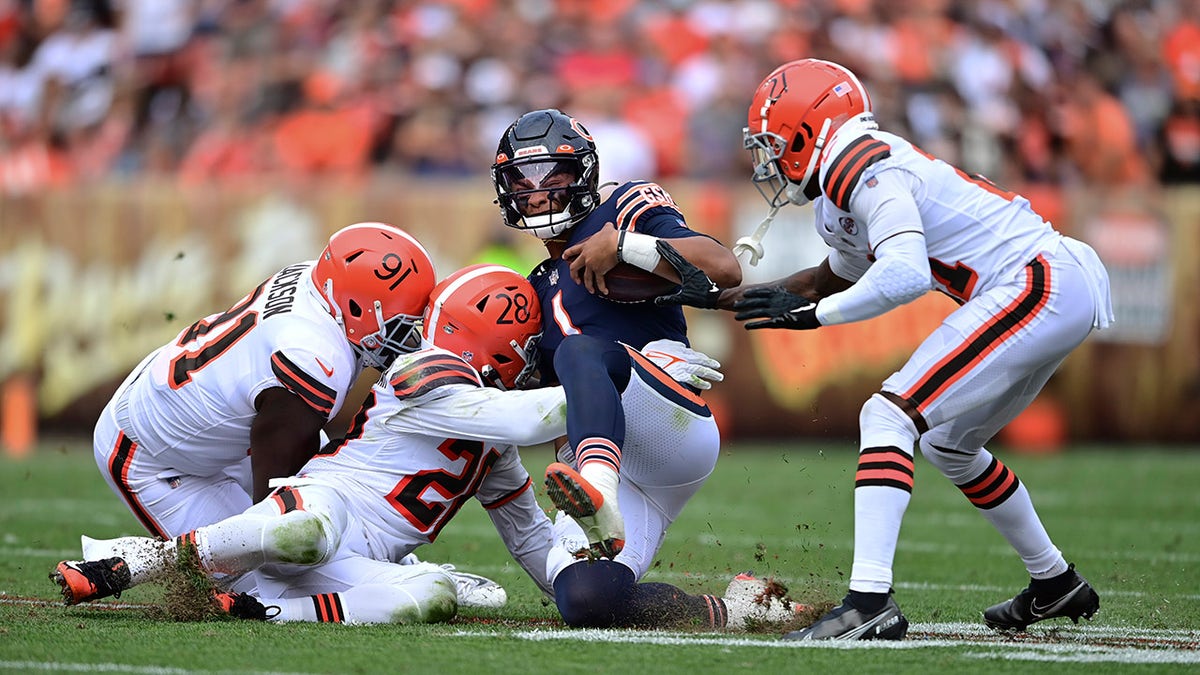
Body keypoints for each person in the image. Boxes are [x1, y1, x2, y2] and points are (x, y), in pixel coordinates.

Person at [656, 58, 1113, 640]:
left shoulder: (859, 162)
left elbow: (903, 274)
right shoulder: (837, 189)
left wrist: (813, 318)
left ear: (808, 130)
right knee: (950, 444)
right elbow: (829, 281)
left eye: (772, 144)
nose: (764, 160)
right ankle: (1053, 580)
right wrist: (726, 297)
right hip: (1045, 285)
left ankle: (869, 602)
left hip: (1037, 280)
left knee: (888, 414)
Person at [51, 265, 734, 624]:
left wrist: (582, 579)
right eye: (528, 352)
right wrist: (628, 369)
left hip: (358, 560)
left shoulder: (487, 440)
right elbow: (529, 415)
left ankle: (260, 609)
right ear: (503, 349)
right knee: (310, 529)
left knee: (432, 594)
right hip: (319, 505)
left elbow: (528, 538)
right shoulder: (422, 378)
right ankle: (145, 561)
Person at [80, 221, 503, 608]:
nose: (407, 341)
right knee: (277, 571)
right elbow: (280, 507)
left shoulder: (320, 285)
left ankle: (400, 571)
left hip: (216, 417)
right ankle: (127, 559)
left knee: (327, 509)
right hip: (153, 457)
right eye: (398, 325)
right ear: (355, 311)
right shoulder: (314, 356)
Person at [489, 109, 801, 629]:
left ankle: (598, 490)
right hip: (616, 457)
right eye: (522, 181)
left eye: (553, 175)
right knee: (587, 602)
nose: (538, 193)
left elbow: (723, 268)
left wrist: (626, 245)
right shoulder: (536, 285)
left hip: (665, 423)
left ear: (584, 175)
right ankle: (737, 610)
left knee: (582, 352)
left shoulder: (623, 206)